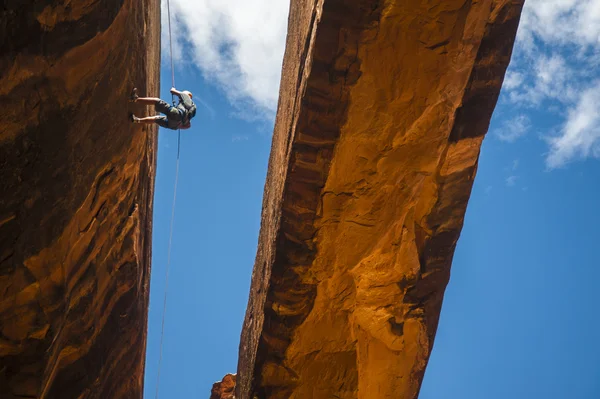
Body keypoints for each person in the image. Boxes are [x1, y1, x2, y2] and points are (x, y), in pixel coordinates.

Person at [129, 87, 197, 130]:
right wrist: (179, 125)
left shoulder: (186, 96)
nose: (179, 99)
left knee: (157, 101)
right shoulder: (192, 109)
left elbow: (172, 91)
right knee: (156, 119)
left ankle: (135, 99)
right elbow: (188, 126)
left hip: (176, 113)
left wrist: (173, 89)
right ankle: (137, 120)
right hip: (174, 125)